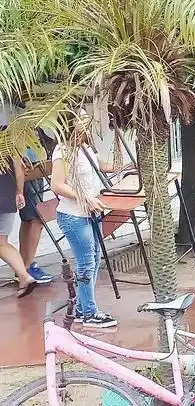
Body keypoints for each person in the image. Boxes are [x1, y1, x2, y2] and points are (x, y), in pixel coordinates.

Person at [51, 113, 118, 328]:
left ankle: (82, 308)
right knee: (86, 263)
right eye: (81, 118)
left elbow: (101, 166)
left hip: (91, 213)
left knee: (95, 259)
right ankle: (89, 313)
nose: (87, 121)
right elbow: (57, 185)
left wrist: (125, 166)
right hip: (74, 216)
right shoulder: (63, 150)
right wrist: (85, 198)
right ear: (70, 123)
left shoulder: (86, 148)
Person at [0, 154, 38, 298]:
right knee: (2, 243)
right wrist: (19, 192)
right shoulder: (9, 135)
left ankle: (24, 276)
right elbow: (19, 166)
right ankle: (24, 276)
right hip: (6, 196)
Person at [19, 138, 54, 284]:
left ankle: (22, 265)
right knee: (36, 218)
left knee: (28, 218)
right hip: (27, 161)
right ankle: (26, 267)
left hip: (33, 159)